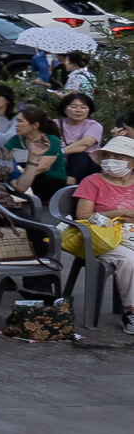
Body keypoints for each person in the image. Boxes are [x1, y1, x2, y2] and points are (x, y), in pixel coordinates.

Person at [72, 137, 134, 335]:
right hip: (104, 237)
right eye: (107, 156)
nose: (110, 160)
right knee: (129, 260)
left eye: (117, 156)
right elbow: (82, 216)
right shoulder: (92, 182)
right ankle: (131, 312)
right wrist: (119, 213)